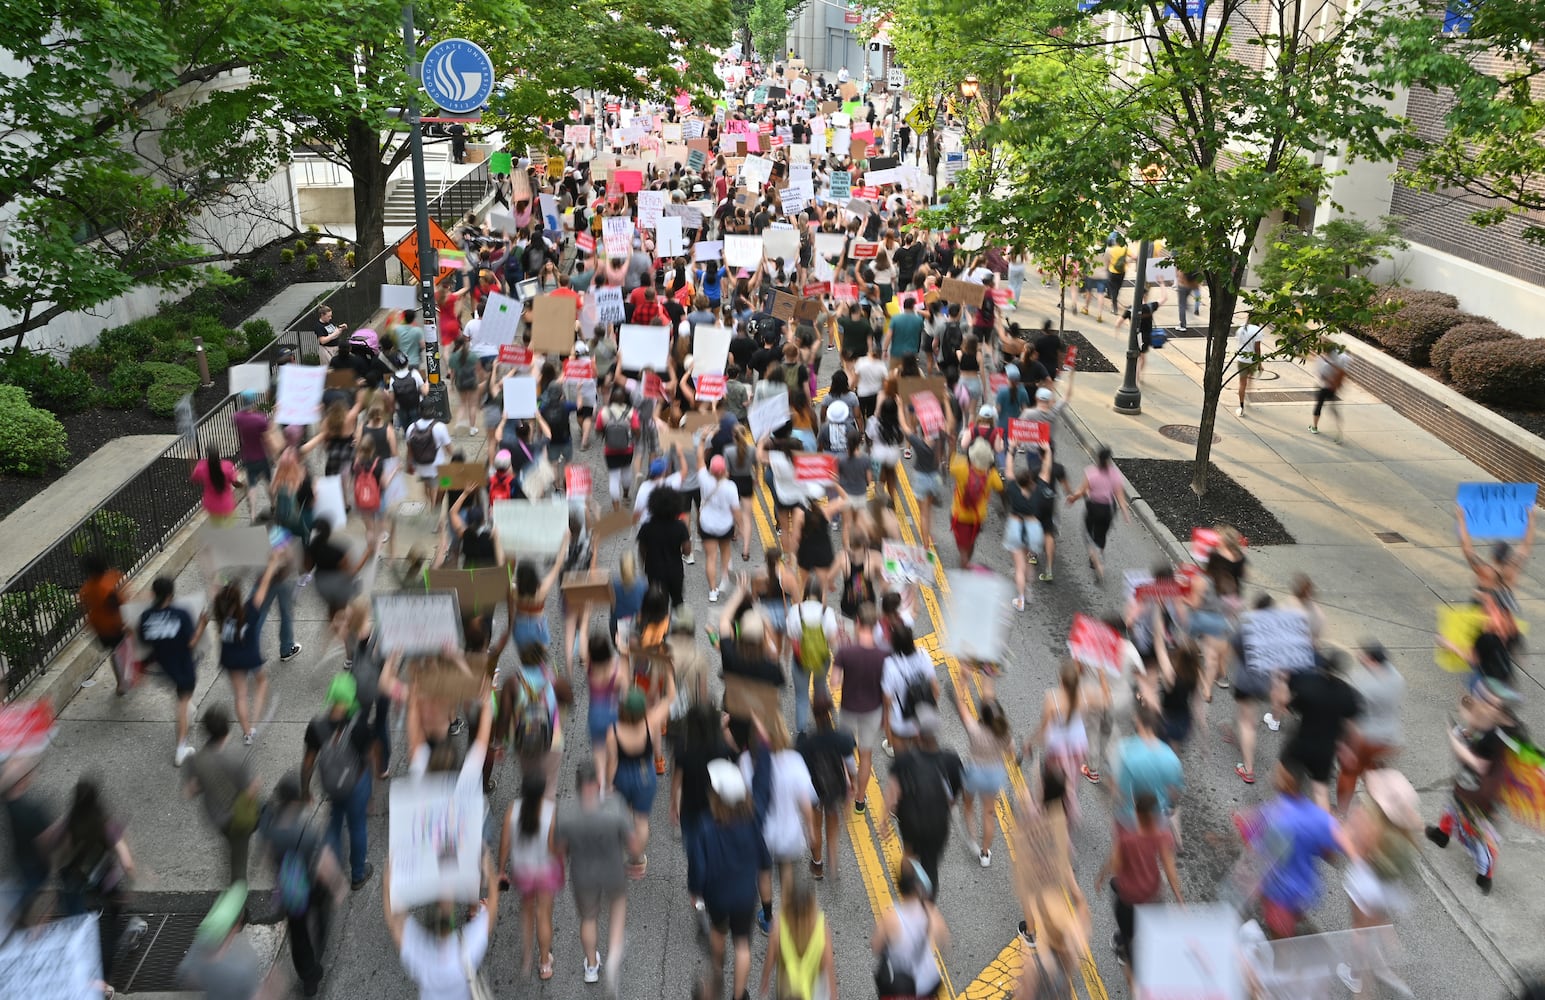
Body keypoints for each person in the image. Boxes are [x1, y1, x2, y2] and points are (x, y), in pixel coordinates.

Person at [689, 744, 773, 1000]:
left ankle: (717, 971)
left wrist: (695, 890)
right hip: (744, 895)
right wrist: (764, 744)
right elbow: (763, 782)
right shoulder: (752, 820)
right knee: (742, 944)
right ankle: (738, 996)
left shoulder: (706, 827)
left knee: (717, 929)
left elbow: (698, 866)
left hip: (717, 893)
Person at [1236, 757, 1352, 937]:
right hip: (1304, 887)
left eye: (1277, 773)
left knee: (1280, 941)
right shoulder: (1317, 816)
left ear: (1287, 783)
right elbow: (1333, 851)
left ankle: (1281, 958)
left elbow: (1253, 844)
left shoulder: (1273, 814)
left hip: (1279, 892)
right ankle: (1294, 918)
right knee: (1289, 919)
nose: (1271, 775)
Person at [1425, 678, 1521, 894]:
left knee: (1478, 832)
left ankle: (1485, 875)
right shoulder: (1512, 727)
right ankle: (1442, 834)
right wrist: (1471, 732)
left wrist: (1455, 739)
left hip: (1478, 791)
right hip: (1493, 790)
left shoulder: (1494, 736)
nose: (1483, 703)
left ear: (1499, 708)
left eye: (1488, 701)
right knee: (1454, 807)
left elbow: (1478, 762)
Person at [552, 761, 634, 989]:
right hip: (613, 869)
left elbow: (558, 848)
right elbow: (632, 842)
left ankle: (591, 966)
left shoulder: (566, 811)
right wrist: (636, 859)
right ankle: (614, 956)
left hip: (583, 873)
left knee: (588, 918)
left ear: (577, 786)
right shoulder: (614, 805)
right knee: (618, 905)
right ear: (598, 784)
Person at [47, 778, 137, 983]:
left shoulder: (68, 823)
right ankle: (103, 976)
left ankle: (80, 956)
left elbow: (53, 844)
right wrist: (132, 876)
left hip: (77, 881)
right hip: (104, 881)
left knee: (79, 922)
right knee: (110, 929)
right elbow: (127, 861)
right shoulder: (105, 825)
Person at [383, 844, 500, 1000]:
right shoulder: (466, 950)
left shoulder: (419, 952)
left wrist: (387, 883)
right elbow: (491, 910)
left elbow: (394, 921)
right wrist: (489, 870)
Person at [300, 673, 377, 891]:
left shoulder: (316, 726)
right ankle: (358, 874)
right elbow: (367, 758)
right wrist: (370, 794)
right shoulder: (360, 726)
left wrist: (305, 791)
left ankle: (330, 872)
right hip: (356, 786)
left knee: (334, 823)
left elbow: (307, 764)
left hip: (332, 786)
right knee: (357, 826)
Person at [1096, 792, 1184, 981]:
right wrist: (1179, 898)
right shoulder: (1163, 836)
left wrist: (1102, 876)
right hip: (1152, 896)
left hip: (1128, 900)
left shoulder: (1127, 837)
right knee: (1153, 930)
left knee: (1129, 945)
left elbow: (1116, 865)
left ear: (1137, 814)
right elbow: (1169, 870)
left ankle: (1126, 952)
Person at [883, 708, 963, 894]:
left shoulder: (905, 760)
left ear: (917, 733)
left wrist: (884, 819)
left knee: (909, 854)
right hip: (937, 823)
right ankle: (928, 900)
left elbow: (892, 790)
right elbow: (954, 793)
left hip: (911, 820)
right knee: (930, 863)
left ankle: (908, 893)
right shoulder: (951, 760)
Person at [210, 551, 284, 744]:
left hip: (230, 658)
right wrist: (273, 562)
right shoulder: (250, 610)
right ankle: (255, 722)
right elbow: (264, 584)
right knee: (261, 682)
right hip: (249, 656)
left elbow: (215, 585)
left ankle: (247, 733)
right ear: (238, 597)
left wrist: (210, 561)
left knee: (240, 696)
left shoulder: (220, 613)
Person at [136, 575, 210, 765]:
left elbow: (144, 640)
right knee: (183, 703)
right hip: (184, 666)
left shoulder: (146, 617)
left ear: (154, 593)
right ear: (171, 594)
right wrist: (202, 624)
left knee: (182, 698)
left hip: (165, 665)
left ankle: (187, 714)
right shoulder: (180, 614)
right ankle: (181, 749)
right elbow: (191, 643)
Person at [183, 705, 260, 886]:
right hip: (237, 818)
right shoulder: (238, 757)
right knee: (238, 866)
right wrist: (255, 785)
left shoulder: (196, 760)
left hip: (216, 816)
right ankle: (238, 910)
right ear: (227, 728)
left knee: (231, 846)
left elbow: (191, 790)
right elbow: (249, 791)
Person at [1280, 649, 1363, 809]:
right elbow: (1352, 723)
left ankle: (1286, 810)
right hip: (1326, 749)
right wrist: (1348, 748)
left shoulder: (1309, 685)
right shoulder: (1348, 693)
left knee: (1284, 775)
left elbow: (1290, 707)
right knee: (1320, 790)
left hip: (1302, 742)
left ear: (1324, 665)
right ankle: (1325, 826)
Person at [607, 686, 674, 879]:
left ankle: (620, 848)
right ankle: (637, 860)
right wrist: (669, 671)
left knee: (624, 814)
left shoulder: (614, 731)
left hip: (623, 776)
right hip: (645, 775)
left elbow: (612, 762)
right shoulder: (650, 722)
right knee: (642, 819)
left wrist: (608, 785)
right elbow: (670, 698)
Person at [499, 775, 562, 979]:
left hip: (523, 872)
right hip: (544, 872)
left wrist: (501, 870)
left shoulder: (512, 810)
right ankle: (544, 963)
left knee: (527, 913)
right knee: (543, 915)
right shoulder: (549, 811)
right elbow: (553, 848)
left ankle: (526, 956)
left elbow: (505, 844)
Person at [1337, 641, 1406, 815]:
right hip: (1389, 739)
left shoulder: (1360, 682)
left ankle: (1342, 811)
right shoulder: (1397, 677)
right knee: (1373, 772)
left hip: (1364, 739)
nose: (1360, 656)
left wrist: (1344, 744)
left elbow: (1349, 716)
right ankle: (1383, 811)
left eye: (1364, 655)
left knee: (1349, 772)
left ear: (1373, 661)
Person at [871, 860, 949, 1000]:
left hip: (901, 986)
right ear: (919, 890)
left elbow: (875, 946)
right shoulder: (930, 912)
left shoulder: (891, 917)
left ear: (901, 889)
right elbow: (944, 940)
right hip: (928, 982)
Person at [760, 871, 837, 1000]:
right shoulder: (821, 927)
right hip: (815, 987)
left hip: (788, 986)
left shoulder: (779, 925)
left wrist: (765, 979)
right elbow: (828, 963)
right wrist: (834, 994)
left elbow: (771, 957)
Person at [955, 692, 1012, 867]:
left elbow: (961, 707)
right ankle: (985, 854)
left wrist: (962, 683)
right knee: (989, 813)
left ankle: (972, 838)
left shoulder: (975, 730)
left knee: (968, 805)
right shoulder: (1004, 733)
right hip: (994, 775)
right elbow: (1010, 753)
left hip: (974, 773)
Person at [1065, 447, 1131, 582]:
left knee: (1089, 534)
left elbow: (1082, 491)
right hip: (1107, 510)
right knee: (1101, 535)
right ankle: (1098, 554)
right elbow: (1120, 496)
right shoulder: (1115, 474)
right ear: (1109, 460)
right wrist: (1125, 512)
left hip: (1093, 508)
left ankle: (1095, 560)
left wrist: (1073, 498)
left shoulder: (1091, 472)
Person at [786, 578, 839, 735]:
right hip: (822, 660)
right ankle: (823, 727)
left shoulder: (796, 610)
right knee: (820, 690)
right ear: (820, 593)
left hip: (800, 660)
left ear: (806, 592)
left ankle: (801, 733)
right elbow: (833, 641)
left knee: (801, 697)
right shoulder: (827, 612)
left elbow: (791, 636)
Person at [78, 552, 133, 695]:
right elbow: (116, 604)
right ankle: (126, 677)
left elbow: (85, 606)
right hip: (115, 624)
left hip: (99, 627)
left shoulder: (87, 588)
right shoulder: (109, 581)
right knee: (124, 648)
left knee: (115, 652)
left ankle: (120, 681)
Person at [881, 624, 937, 757]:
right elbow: (935, 689)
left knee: (903, 762)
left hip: (901, 722)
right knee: (923, 753)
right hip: (922, 716)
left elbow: (887, 701)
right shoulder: (924, 655)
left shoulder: (890, 665)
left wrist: (887, 726)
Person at [948, 438, 1003, 567]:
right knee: (971, 543)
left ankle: (964, 566)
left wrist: (951, 447)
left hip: (959, 515)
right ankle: (966, 562)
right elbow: (1000, 488)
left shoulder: (962, 467)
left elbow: (950, 465)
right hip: (978, 517)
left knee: (962, 549)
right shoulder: (991, 474)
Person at [698, 453, 741, 602]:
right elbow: (736, 511)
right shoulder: (731, 487)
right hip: (725, 525)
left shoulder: (703, 478)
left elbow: (699, 456)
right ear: (724, 470)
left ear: (711, 469)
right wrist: (740, 526)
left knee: (711, 557)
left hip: (707, 524)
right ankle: (724, 577)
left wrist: (703, 439)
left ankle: (712, 591)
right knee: (725, 551)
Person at [192, 445, 241, 526]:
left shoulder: (201, 466)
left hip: (211, 504)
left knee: (217, 526)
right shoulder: (227, 466)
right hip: (226, 504)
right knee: (229, 527)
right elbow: (234, 480)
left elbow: (194, 478)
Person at [1309, 345, 1348, 440]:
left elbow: (1319, 374)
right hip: (1332, 389)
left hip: (1323, 387)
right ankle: (1339, 430)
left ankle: (1314, 427)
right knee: (1334, 409)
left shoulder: (1322, 361)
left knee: (1318, 406)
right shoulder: (1338, 361)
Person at [1235, 319, 1263, 417]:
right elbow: (1257, 348)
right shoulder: (1258, 330)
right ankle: (1248, 395)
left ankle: (1241, 405)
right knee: (1250, 378)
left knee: (1242, 383)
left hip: (1242, 359)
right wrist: (1260, 363)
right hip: (1252, 360)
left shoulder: (1241, 328)